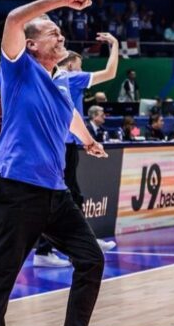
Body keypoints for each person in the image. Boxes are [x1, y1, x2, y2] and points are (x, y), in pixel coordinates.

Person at [0, 0, 107, 326]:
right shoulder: (18, 70)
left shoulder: (61, 82)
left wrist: (88, 141)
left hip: (55, 192)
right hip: (15, 189)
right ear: (32, 44)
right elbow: (12, 19)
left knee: (91, 259)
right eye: (53, 31)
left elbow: (70, 119)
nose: (61, 35)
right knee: (2, 280)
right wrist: (63, 0)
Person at [34, 32, 120, 267]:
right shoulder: (69, 77)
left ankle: (83, 241)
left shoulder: (58, 79)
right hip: (64, 143)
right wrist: (115, 45)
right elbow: (110, 73)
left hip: (69, 143)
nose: (82, 70)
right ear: (71, 64)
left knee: (72, 196)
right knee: (61, 197)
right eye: (80, 65)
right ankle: (44, 250)